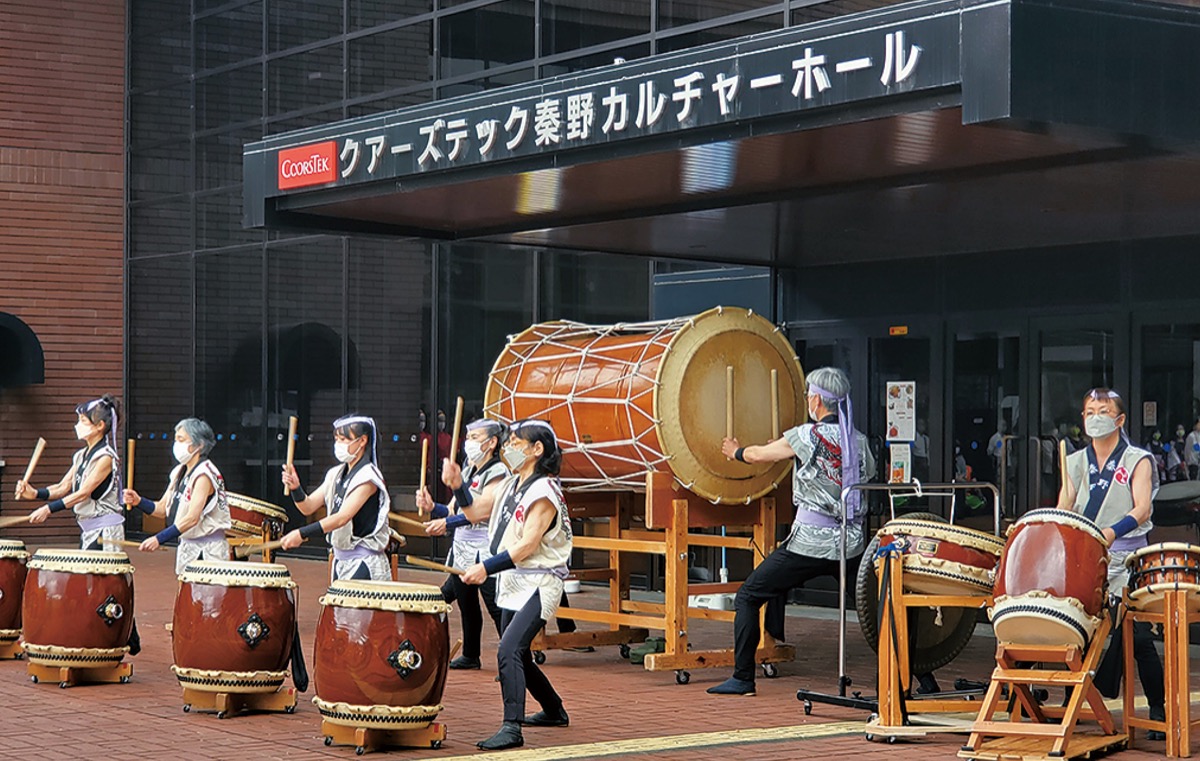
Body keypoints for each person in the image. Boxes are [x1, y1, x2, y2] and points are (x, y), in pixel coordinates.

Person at [708, 366, 874, 696]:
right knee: (882, 611)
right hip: (852, 544)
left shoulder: (806, 435)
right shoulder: (858, 439)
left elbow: (758, 455)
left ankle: (743, 678)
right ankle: (919, 677)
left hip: (809, 544)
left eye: (808, 395)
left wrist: (736, 451)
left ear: (816, 399)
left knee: (749, 596)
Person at [1056, 388, 1165, 741]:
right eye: (1089, 411)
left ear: (1119, 420)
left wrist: (1112, 531)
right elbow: (1065, 509)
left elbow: (1143, 507)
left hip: (1128, 556)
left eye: (1103, 411)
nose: (1095, 417)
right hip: (1086, 557)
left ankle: (1159, 707)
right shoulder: (1073, 461)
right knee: (1075, 627)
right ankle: (1069, 700)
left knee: (1138, 636)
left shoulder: (1139, 459)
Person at [462, 419, 572, 750]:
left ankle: (512, 727)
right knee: (519, 655)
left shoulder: (545, 490)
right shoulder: (512, 483)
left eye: (515, 443)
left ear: (537, 449)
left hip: (540, 581)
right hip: (513, 579)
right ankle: (554, 709)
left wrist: (485, 567)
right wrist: (454, 488)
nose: (508, 448)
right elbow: (475, 510)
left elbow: (527, 546)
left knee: (508, 649)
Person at [422, 418, 509, 670]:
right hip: (462, 548)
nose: (469, 443)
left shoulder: (499, 472)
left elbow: (482, 511)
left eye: (475, 437)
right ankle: (471, 654)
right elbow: (453, 510)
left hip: (486, 549)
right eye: (468, 438)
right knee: (467, 604)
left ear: (491, 442)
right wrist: (433, 509)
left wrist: (448, 524)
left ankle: (512, 659)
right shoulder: (469, 470)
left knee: (496, 607)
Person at [280, 414, 391, 581]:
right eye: (337, 439)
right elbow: (308, 507)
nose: (339, 444)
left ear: (362, 441)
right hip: (340, 561)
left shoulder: (369, 478)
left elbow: (342, 518)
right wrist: (296, 488)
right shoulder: (335, 474)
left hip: (365, 563)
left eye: (345, 439)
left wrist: (302, 534)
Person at [17, 395, 125, 552]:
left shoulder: (106, 457)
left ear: (99, 425)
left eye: (83, 421)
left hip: (106, 529)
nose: (78, 425)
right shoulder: (81, 455)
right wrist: (34, 493)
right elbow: (63, 486)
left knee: (97, 576)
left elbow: (83, 493)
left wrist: (48, 509)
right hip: (89, 528)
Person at [126, 418, 231, 574]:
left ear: (199, 445)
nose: (176, 444)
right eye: (176, 439)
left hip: (208, 551)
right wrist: (139, 501)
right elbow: (162, 509)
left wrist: (159, 538)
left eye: (181, 439)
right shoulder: (180, 472)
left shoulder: (204, 475)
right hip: (188, 546)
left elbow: (192, 518)